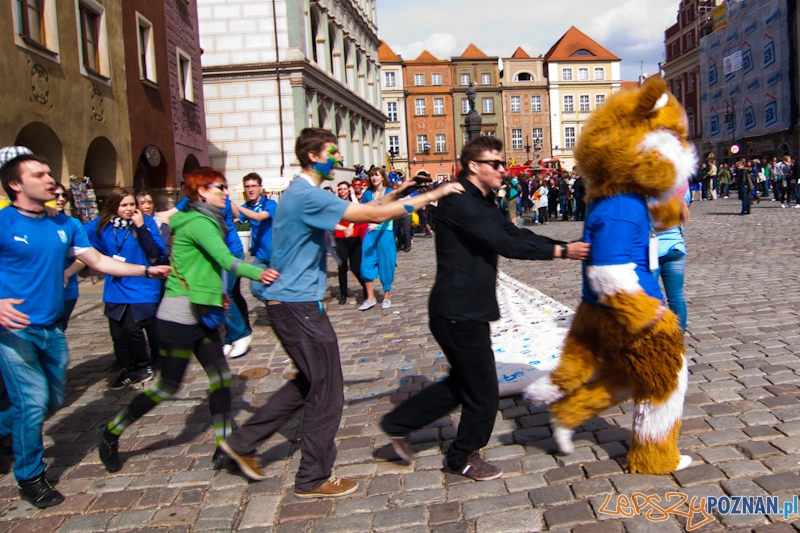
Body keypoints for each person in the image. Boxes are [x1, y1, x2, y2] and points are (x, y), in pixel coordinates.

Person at [215, 127, 463, 498]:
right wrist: (436, 193)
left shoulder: (302, 195)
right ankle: (313, 477)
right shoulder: (307, 196)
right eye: (333, 151)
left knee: (309, 381)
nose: (339, 158)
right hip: (298, 306)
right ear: (314, 156)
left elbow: (365, 215)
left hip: (292, 304)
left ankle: (243, 441)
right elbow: (371, 216)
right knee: (328, 391)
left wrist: (400, 192)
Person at [380, 137, 589, 482]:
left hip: (468, 307)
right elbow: (503, 245)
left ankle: (398, 424)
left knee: (464, 382)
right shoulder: (458, 202)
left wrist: (562, 245)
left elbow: (513, 231)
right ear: (473, 166)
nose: (503, 169)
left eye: (503, 162)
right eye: (495, 163)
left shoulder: (485, 201)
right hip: (457, 309)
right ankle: (462, 457)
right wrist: (563, 253)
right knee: (483, 391)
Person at [0, 151, 170, 507]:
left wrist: (146, 271)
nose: (50, 180)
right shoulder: (4, 223)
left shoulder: (66, 225)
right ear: (16, 184)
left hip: (51, 329)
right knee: (32, 402)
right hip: (14, 331)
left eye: (49, 172)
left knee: (52, 399)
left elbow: (98, 261)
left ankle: (6, 430)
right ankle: (30, 476)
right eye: (39, 174)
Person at [97, 168, 279, 474]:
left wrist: (217, 292)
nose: (225, 192)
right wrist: (258, 273)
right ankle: (111, 432)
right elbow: (225, 259)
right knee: (167, 387)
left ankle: (225, 448)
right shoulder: (199, 223)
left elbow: (203, 268)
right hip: (179, 317)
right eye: (219, 187)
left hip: (203, 314)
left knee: (220, 380)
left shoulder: (210, 220)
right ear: (201, 193)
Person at [84, 188, 166, 388]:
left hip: (142, 285)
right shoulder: (102, 225)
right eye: (124, 205)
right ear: (114, 206)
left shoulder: (144, 222)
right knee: (118, 334)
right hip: (116, 286)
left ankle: (143, 365)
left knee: (133, 328)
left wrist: (140, 227)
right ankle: (126, 369)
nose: (129, 209)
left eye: (132, 204)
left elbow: (156, 252)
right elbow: (80, 236)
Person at [359, 167, 411, 310]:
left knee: (386, 263)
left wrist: (378, 222)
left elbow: (391, 211)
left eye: (376, 175)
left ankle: (386, 296)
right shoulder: (367, 194)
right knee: (365, 264)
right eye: (371, 176)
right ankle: (370, 298)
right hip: (370, 233)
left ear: (383, 177)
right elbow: (360, 210)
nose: (373, 178)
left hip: (385, 232)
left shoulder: (388, 192)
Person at [650, 190, 691, 332]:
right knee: (677, 297)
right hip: (676, 248)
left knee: (652, 298)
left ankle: (657, 338)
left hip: (650, 251)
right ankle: (678, 340)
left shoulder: (645, 194)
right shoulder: (680, 191)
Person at [239, 173, 278, 308]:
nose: (250, 189)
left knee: (278, 286)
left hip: (275, 254)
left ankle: (281, 309)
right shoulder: (246, 207)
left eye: (254, 186)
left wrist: (238, 208)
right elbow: (234, 219)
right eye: (247, 186)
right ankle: (277, 306)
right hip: (260, 257)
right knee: (255, 287)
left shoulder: (270, 204)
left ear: (260, 187)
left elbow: (258, 217)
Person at [55, 184, 85, 330]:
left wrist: (66, 273)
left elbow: (83, 258)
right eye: (56, 195)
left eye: (64, 195)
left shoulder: (72, 223)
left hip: (67, 289)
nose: (60, 199)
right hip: (41, 290)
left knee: (59, 330)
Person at [333, 181, 366, 304]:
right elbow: (331, 220)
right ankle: (343, 294)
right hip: (340, 236)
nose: (342, 192)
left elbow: (358, 213)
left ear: (349, 190)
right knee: (342, 267)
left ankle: (366, 287)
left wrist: (351, 227)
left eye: (344, 189)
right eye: (340, 189)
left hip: (354, 236)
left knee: (356, 267)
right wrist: (344, 229)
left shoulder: (353, 202)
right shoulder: (335, 204)